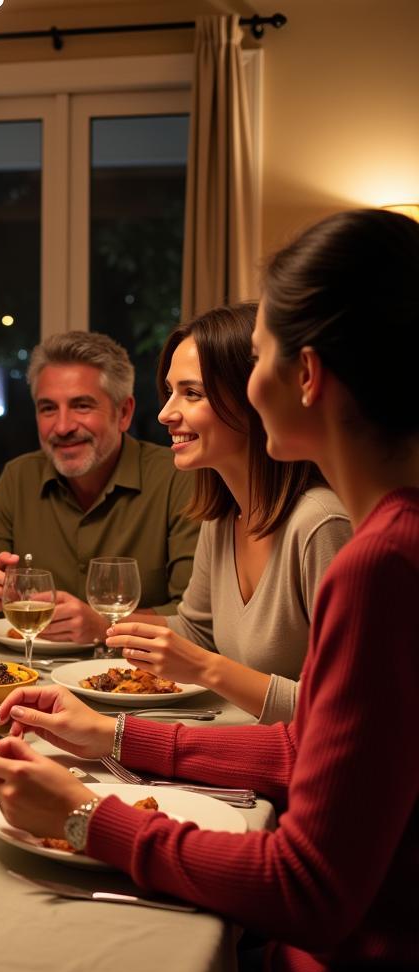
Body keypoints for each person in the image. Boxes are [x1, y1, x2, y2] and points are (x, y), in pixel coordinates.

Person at [0, 208, 419, 972]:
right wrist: (111, 735)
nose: (172, 411)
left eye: (255, 357)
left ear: (307, 376)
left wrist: (86, 818)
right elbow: (308, 745)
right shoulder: (392, 537)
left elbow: (308, 891)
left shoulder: (380, 562)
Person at [106, 304, 351, 722]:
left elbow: (344, 713)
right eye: (169, 392)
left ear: (253, 398)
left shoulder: (320, 525)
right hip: (244, 739)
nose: (166, 413)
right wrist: (104, 625)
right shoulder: (223, 517)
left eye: (192, 393)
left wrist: (206, 668)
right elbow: (197, 632)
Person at [0, 331, 200, 642]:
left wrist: (103, 626)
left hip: (137, 680)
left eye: (82, 406)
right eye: (48, 408)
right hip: (29, 675)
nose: (62, 427)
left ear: (124, 413)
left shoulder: (176, 477)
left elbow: (193, 617)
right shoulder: (19, 477)